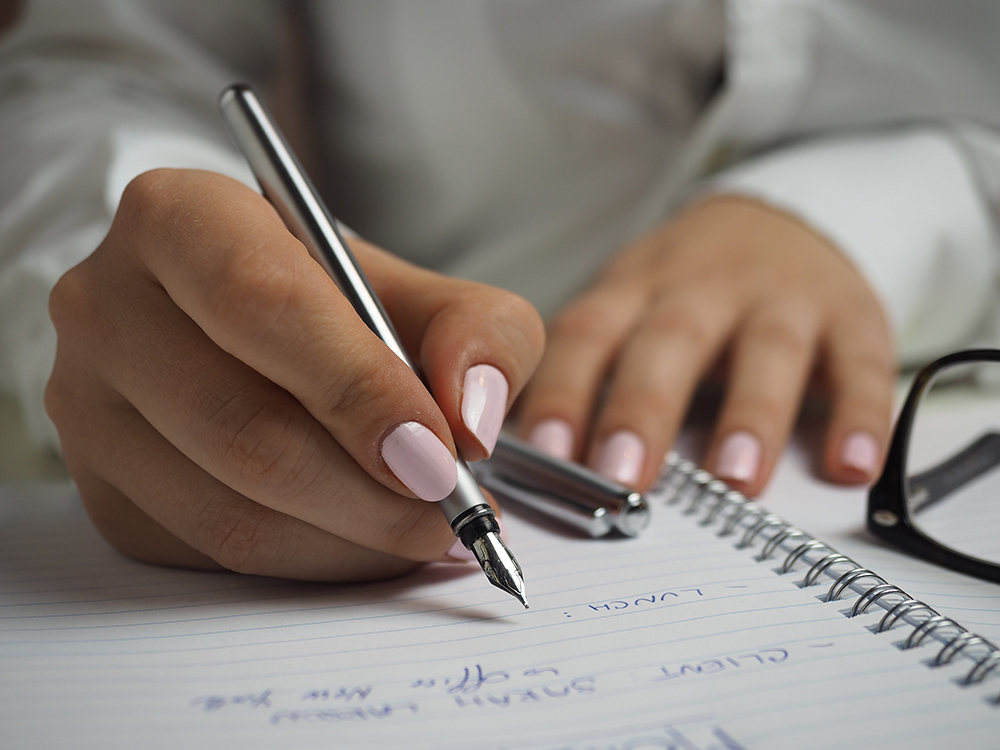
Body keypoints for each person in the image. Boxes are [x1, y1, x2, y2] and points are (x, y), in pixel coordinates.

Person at [1, 0, 999, 581]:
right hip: (394, 391)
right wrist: (159, 303)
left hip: (938, 396)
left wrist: (899, 210)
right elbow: (101, 70)